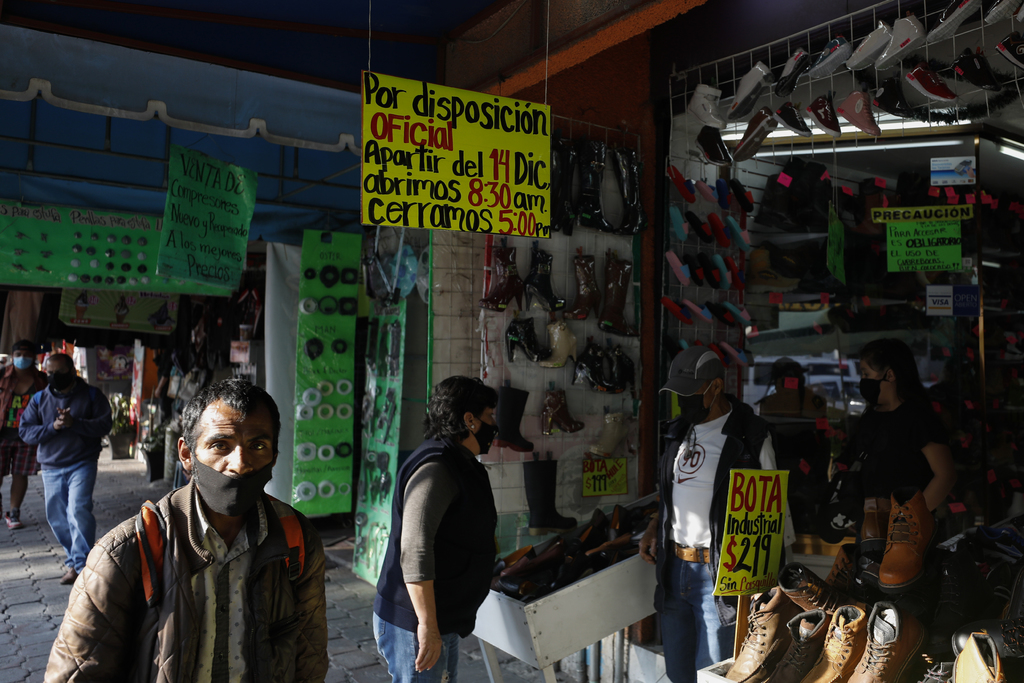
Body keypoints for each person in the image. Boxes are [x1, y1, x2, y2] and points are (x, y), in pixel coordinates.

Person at [44, 378, 328, 683]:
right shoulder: (124, 552)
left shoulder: (296, 539)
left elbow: (308, 659)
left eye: (258, 446)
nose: (240, 464)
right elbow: (78, 672)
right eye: (220, 445)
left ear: (274, 457)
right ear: (186, 454)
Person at [639, 347, 795, 683]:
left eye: (689, 391)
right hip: (674, 568)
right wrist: (654, 526)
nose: (683, 400)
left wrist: (766, 581)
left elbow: (773, 512)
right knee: (678, 673)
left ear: (716, 387)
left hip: (721, 575)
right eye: (677, 392)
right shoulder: (677, 431)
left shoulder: (750, 436)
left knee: (714, 674)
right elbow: (671, 492)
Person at [374, 376, 499, 683]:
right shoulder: (437, 468)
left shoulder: (460, 461)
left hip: (444, 616)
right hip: (415, 622)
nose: (495, 425)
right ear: (469, 420)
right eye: (490, 416)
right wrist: (427, 625)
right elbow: (415, 548)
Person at [19, 352, 112, 584]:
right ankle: (74, 560)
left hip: (82, 463)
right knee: (57, 517)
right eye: (49, 372)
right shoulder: (39, 399)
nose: (53, 377)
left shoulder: (92, 395)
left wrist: (75, 423)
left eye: (58, 372)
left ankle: (82, 566)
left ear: (72, 371)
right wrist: (53, 427)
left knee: (78, 510)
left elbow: (104, 425)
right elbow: (25, 431)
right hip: (51, 466)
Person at [850, 337, 955, 514]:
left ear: (890, 375)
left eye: (866, 374)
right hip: (870, 523)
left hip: (906, 526)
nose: (863, 380)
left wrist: (908, 519)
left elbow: (945, 476)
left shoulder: (918, 418)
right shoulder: (870, 416)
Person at [0, 339, 48, 529]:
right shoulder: (2, 376)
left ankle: (14, 512)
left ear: (34, 356)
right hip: (2, 434)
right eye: (18, 354)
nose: (22, 358)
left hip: (28, 436)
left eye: (27, 354)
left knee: (20, 474)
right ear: (12, 356)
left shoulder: (42, 379)